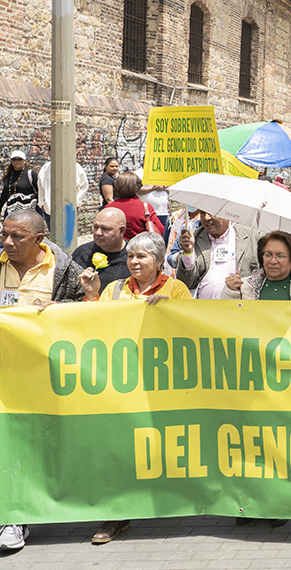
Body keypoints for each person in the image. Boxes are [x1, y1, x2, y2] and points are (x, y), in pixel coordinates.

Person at [0, 210, 83, 551]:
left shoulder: (64, 268)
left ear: (40, 239)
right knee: (13, 444)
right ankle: (15, 518)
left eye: (16, 237)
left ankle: (51, 504)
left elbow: (86, 309)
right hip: (6, 374)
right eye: (4, 235)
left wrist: (60, 307)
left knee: (52, 442)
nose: (7, 242)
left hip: (52, 374)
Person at [74, 232, 191, 544]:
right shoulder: (114, 289)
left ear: (158, 260)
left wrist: (171, 310)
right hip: (122, 382)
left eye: (141, 257)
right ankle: (117, 515)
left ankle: (169, 500)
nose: (134, 262)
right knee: (118, 448)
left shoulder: (176, 288)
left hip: (163, 384)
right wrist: (90, 296)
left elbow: (192, 329)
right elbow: (95, 327)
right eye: (130, 256)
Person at [176, 211, 260, 299]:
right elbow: (186, 283)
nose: (206, 218)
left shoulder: (251, 237)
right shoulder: (192, 237)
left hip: (238, 307)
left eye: (211, 212)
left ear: (227, 212)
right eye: (203, 213)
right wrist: (188, 252)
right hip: (203, 308)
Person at [222, 231, 291, 302]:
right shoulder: (244, 286)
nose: (272, 261)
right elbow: (225, 318)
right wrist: (231, 291)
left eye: (280, 256)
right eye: (268, 255)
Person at [71, 207, 131, 287]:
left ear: (122, 231)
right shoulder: (82, 254)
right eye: (95, 227)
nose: (98, 233)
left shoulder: (133, 257)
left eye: (105, 229)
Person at [105, 172, 162, 239]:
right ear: (137, 187)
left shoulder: (109, 208)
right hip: (140, 246)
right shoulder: (145, 207)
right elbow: (160, 229)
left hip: (115, 247)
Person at [0, 150, 39, 218]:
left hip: (28, 210)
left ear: (24, 160)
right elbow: (5, 193)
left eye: (19, 159)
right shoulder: (9, 175)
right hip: (11, 209)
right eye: (14, 159)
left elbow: (40, 191)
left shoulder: (31, 174)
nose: (17, 161)